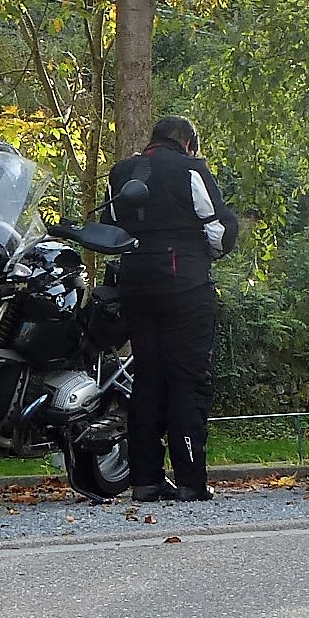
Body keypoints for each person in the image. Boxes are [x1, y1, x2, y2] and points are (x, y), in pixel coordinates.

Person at [104, 115, 240, 502]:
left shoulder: (121, 172)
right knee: (187, 378)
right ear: (188, 142)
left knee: (147, 378)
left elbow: (110, 226)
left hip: (135, 284)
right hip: (185, 286)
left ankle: (145, 480)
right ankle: (190, 480)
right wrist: (205, 255)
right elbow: (219, 230)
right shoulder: (191, 169)